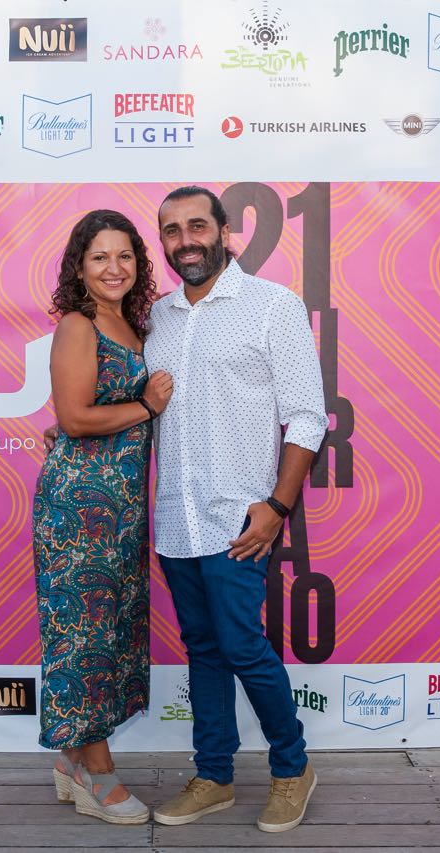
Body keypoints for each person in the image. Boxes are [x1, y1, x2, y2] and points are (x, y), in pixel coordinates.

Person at [145, 186, 327, 833]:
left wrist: (277, 505)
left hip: (239, 520)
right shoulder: (157, 318)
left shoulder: (272, 306)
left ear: (225, 233)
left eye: (197, 226)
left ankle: (292, 768)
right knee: (203, 649)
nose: (185, 240)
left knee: (244, 646)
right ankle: (214, 775)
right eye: (172, 231)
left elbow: (307, 416)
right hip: (176, 518)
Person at [31, 209, 174, 825]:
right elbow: (75, 418)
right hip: (78, 509)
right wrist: (146, 406)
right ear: (79, 267)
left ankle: (72, 761)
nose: (114, 268)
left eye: (125, 256)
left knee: (112, 634)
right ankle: (100, 775)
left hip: (122, 508)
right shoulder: (78, 324)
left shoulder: (134, 324)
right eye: (99, 257)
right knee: (84, 639)